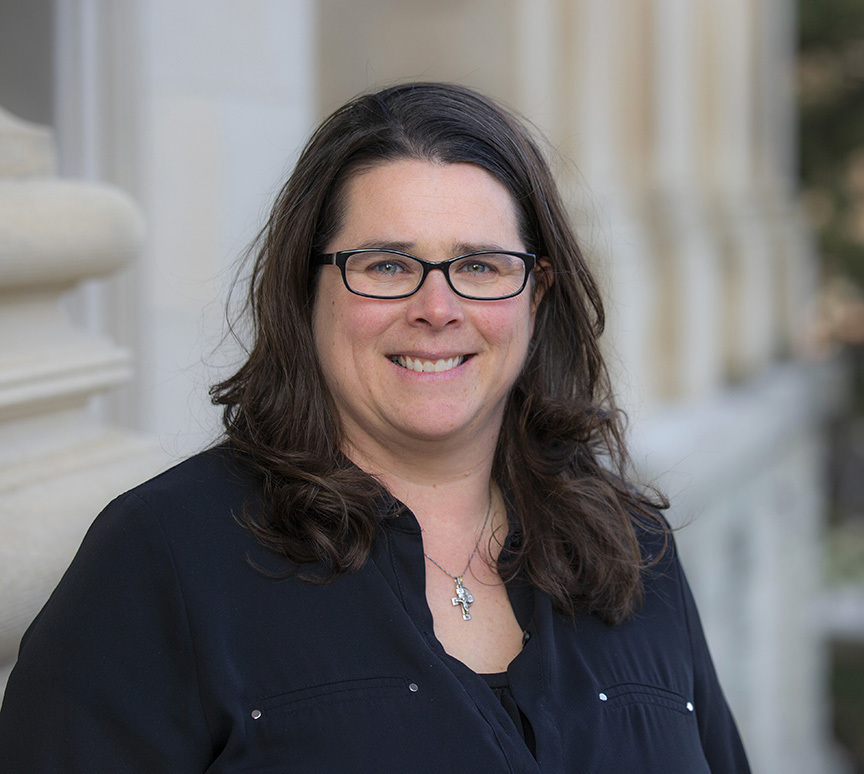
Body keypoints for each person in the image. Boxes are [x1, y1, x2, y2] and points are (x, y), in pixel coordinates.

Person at [0, 82, 750, 772]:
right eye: (389, 264)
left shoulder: (631, 553)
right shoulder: (164, 558)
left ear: (537, 293)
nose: (437, 307)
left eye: (482, 266)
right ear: (308, 286)